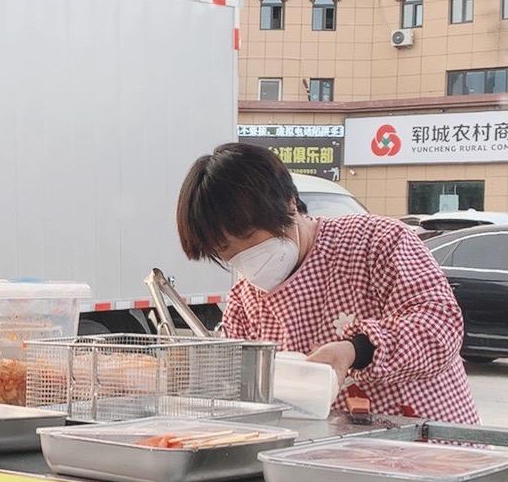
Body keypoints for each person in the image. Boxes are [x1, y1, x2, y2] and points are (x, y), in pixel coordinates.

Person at [176, 142, 478, 424]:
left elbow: (440, 326)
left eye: (247, 236)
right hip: (330, 454)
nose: (244, 256)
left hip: (428, 444)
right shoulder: (245, 302)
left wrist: (355, 350)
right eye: (225, 250)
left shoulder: (377, 241)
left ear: (289, 202)